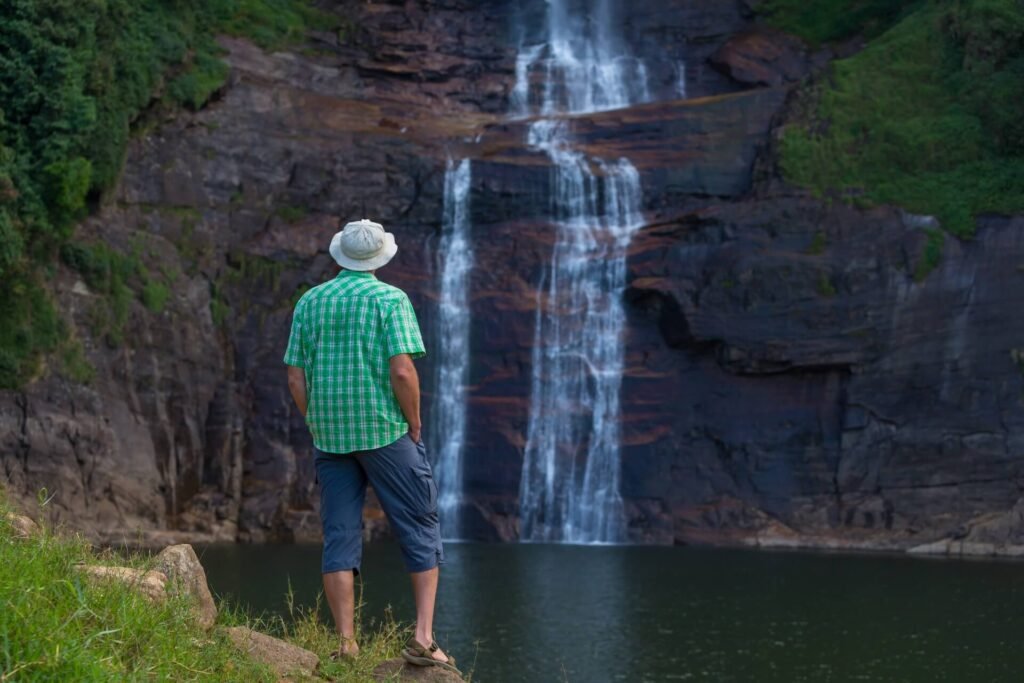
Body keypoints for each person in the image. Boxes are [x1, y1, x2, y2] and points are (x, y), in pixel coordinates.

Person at [283, 218, 457, 674]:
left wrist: (316, 419)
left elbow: (295, 376)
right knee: (419, 524)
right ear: (379, 257)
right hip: (384, 431)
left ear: (341, 254)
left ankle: (346, 643)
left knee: (339, 534)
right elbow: (402, 371)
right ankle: (422, 638)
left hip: (331, 436)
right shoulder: (389, 300)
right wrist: (414, 421)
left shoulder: (311, 301)